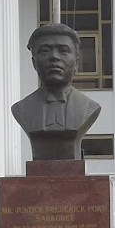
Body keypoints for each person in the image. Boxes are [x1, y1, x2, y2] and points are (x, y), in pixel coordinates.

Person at [10, 22, 102, 161]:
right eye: (45, 51)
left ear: (76, 62)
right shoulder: (21, 109)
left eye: (63, 50)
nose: (54, 57)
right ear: (34, 62)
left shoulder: (88, 107)